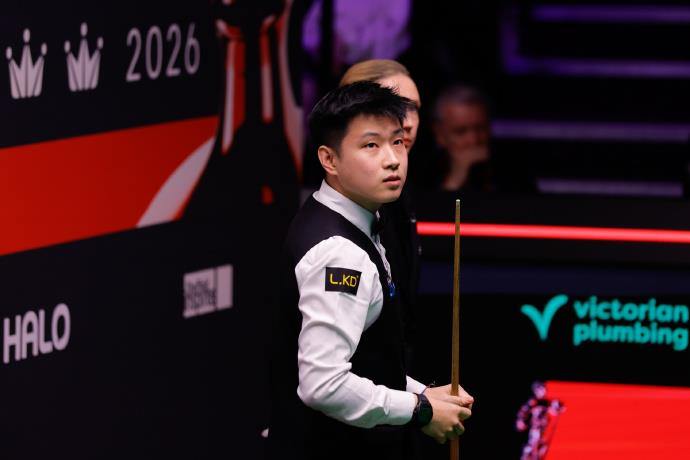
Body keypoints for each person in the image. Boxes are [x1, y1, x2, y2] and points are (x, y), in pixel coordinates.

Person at [269, 81, 473, 460]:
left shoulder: (352, 218)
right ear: (329, 160)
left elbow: (367, 362)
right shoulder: (339, 253)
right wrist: (420, 410)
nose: (392, 159)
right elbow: (323, 385)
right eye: (371, 146)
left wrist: (421, 394)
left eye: (398, 142)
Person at [339, 60, 423, 378]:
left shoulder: (399, 188)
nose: (408, 121)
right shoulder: (352, 200)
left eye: (414, 108)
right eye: (396, 106)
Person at [432, 84, 493, 192]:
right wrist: (454, 181)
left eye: (480, 128)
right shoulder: (420, 175)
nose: (473, 140)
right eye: (460, 132)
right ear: (440, 135)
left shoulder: (511, 171)